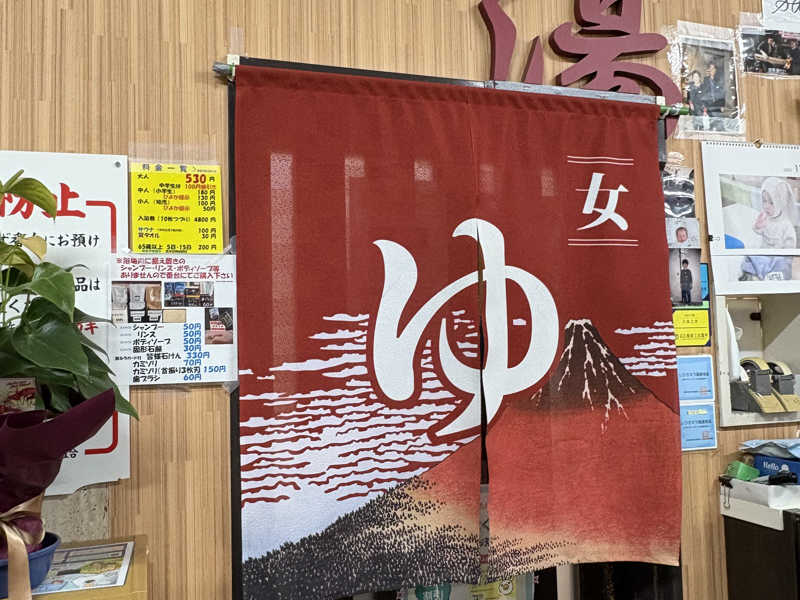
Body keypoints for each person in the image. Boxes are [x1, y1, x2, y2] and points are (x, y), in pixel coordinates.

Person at [740, 177, 797, 281]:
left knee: (781, 265)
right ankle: (751, 275)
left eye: (771, 203)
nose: (766, 206)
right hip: (765, 254)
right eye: (764, 201)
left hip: (778, 258)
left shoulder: (786, 225)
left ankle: (771, 276)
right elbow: (758, 232)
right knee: (751, 256)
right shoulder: (766, 218)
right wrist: (758, 226)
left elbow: (790, 248)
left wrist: (781, 252)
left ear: (781, 203)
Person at [702, 62, 727, 127]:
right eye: (710, 68)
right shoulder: (705, 80)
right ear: (708, 70)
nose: (712, 70)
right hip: (709, 105)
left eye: (713, 68)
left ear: (715, 70)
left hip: (718, 105)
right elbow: (704, 93)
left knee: (719, 123)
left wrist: (722, 105)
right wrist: (704, 107)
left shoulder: (719, 80)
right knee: (711, 124)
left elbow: (722, 93)